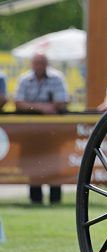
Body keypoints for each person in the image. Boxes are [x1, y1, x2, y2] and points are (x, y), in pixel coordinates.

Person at [14, 52, 69, 204]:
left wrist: (31, 106)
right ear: (32, 64)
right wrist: (43, 108)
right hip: (31, 132)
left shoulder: (57, 78)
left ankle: (55, 199)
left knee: (54, 164)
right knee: (33, 164)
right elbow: (18, 103)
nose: (39, 66)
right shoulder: (24, 79)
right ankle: (35, 199)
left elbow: (61, 102)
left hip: (53, 132)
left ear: (47, 64)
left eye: (42, 63)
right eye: (36, 63)